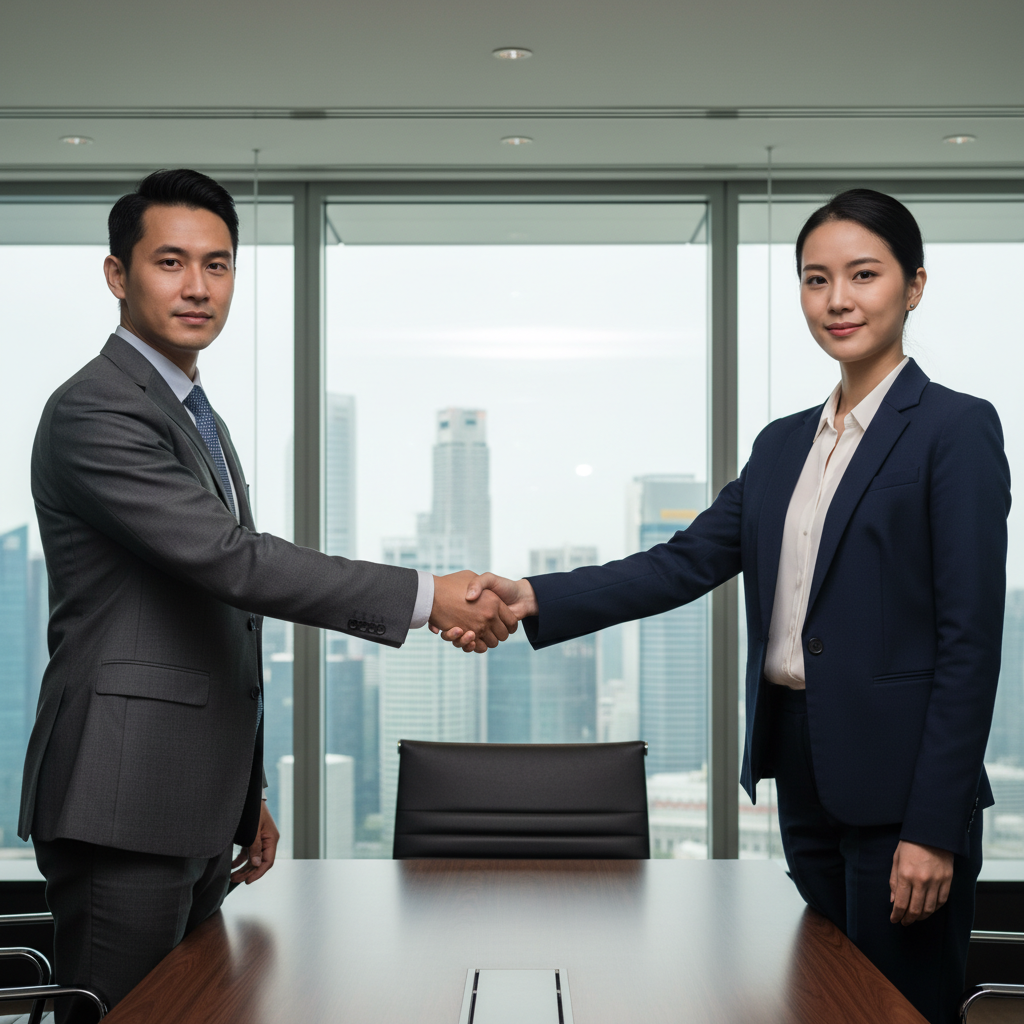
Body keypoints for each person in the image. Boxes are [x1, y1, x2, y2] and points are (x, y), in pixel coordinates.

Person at [443, 189, 1008, 1024]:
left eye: (864, 275)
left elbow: (970, 645)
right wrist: (531, 598)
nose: (838, 300)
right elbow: (684, 563)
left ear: (914, 285)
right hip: (805, 770)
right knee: (823, 1000)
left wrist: (933, 828)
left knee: (897, 1009)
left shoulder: (954, 430)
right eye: (817, 280)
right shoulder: (783, 445)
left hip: (902, 791)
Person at [20, 168, 515, 1021]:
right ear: (116, 275)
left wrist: (239, 794)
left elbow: (206, 619)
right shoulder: (97, 410)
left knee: (193, 1010)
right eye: (170, 262)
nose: (197, 286)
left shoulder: (188, 412)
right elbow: (231, 561)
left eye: (217, 266)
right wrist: (430, 594)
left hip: (183, 801)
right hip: (121, 803)